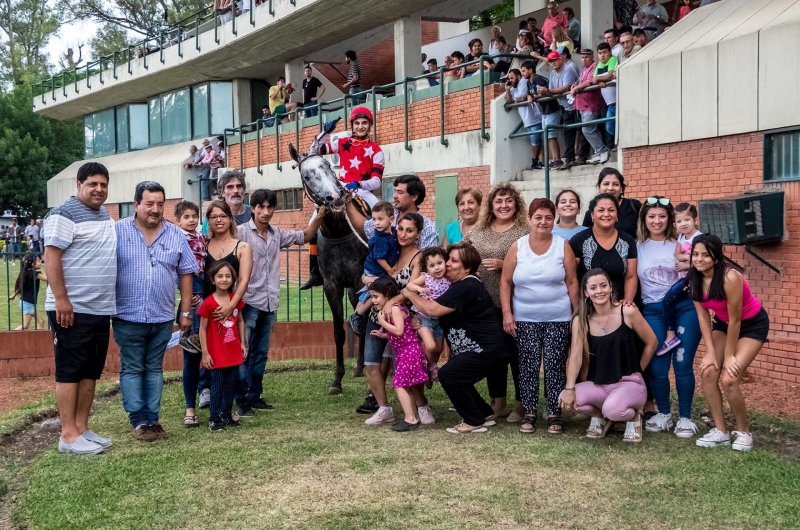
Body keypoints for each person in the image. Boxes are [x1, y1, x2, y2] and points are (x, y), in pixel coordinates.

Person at [114, 181, 198, 442]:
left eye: (160, 204)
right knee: (132, 368)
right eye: (149, 204)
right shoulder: (117, 231)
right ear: (136, 204)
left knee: (153, 368)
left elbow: (186, 274)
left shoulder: (175, 235)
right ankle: (138, 420)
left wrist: (185, 312)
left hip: (162, 317)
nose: (155, 209)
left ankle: (152, 419)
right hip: (127, 316)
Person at [44, 162, 117, 455]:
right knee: (70, 371)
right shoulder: (63, 214)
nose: (99, 189)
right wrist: (62, 299)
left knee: (90, 371)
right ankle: (68, 435)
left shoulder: (104, 215)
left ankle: (83, 428)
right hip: (71, 309)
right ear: (79, 185)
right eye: (92, 184)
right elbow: (51, 257)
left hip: (100, 309)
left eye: (103, 184)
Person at [235, 189, 326, 416]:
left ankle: (255, 395)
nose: (265, 212)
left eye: (269, 207)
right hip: (248, 301)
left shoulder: (276, 234)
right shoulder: (240, 232)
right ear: (253, 208)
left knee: (260, 352)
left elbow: (304, 236)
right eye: (261, 207)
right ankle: (241, 398)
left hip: (269, 302)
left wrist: (320, 215)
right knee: (242, 352)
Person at [402, 242, 509, 434]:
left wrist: (409, 293)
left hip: (485, 349)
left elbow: (432, 310)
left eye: (453, 261)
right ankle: (482, 413)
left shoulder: (467, 284)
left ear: (467, 266)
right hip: (482, 349)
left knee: (449, 375)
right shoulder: (457, 285)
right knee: (458, 375)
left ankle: (472, 420)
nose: (447, 264)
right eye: (447, 259)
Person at [500, 199, 579, 434]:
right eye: (538, 217)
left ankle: (554, 413)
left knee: (555, 364)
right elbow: (505, 282)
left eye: (547, 217)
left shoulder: (562, 246)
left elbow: (572, 281)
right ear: (529, 220)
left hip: (558, 317)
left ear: (553, 220)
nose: (543, 222)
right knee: (528, 365)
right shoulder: (518, 246)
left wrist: (576, 315)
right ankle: (530, 412)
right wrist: (507, 314)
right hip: (525, 318)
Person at [559, 268, 658, 442]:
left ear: (611, 287)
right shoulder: (581, 320)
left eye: (603, 286)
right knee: (566, 399)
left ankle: (633, 417)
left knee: (613, 410)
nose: (599, 291)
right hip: (600, 384)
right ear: (586, 292)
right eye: (593, 287)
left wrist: (638, 370)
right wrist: (570, 388)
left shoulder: (627, 312)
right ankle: (598, 416)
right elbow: (575, 355)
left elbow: (652, 343)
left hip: (629, 383)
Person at [690, 235, 769, 451]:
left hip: (751, 324)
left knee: (730, 378)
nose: (699, 259)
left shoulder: (730, 277)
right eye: (695, 254)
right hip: (723, 324)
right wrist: (709, 352)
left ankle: (744, 433)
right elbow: (703, 317)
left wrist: (729, 355)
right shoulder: (694, 279)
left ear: (716, 257)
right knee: (708, 372)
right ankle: (721, 431)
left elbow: (736, 319)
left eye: (706, 255)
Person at [635, 197, 702, 439]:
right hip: (653, 310)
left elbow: (705, 265)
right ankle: (663, 412)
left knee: (683, 364)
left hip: (685, 309)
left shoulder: (684, 242)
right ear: (644, 219)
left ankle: (685, 417)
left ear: (670, 219)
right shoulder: (637, 246)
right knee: (658, 366)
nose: (657, 221)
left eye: (662, 216)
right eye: (651, 216)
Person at [184, 200, 253, 426]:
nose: (218, 220)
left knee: (229, 363)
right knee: (194, 359)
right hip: (202, 310)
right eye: (213, 217)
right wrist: (189, 297)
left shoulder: (241, 247)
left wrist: (231, 306)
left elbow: (243, 279)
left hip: (230, 312)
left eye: (223, 215)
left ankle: (226, 409)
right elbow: (185, 269)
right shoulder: (201, 243)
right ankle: (191, 409)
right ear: (208, 221)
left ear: (230, 218)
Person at [302, 106, 386, 290]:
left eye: (364, 123)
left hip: (362, 190)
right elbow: (313, 153)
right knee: (313, 225)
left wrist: (359, 184)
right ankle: (314, 272)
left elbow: (377, 181)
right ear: (352, 125)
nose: (361, 126)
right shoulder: (343, 142)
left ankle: (380, 262)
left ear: (370, 125)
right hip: (339, 189)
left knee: (380, 220)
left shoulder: (376, 149)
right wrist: (325, 132)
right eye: (357, 123)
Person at [465, 182, 529, 421]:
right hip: (484, 304)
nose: (504, 205)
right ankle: (498, 402)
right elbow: (459, 252)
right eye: (499, 201)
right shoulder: (479, 230)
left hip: (516, 303)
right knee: (494, 353)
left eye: (508, 201)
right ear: (491, 205)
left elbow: (535, 263)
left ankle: (521, 405)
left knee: (516, 355)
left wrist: (506, 266)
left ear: (516, 204)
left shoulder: (525, 231)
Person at [359, 214, 429, 424]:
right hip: (378, 314)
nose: (403, 234)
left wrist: (392, 302)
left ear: (418, 234)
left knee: (407, 367)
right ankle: (384, 408)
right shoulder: (390, 249)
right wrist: (365, 278)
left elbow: (410, 288)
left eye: (409, 230)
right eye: (400, 229)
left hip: (402, 317)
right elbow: (370, 270)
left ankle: (422, 407)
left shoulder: (419, 257)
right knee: (371, 362)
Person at [368, 277, 431, 432]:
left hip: (409, 351)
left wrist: (382, 322)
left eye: (376, 297)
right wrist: (383, 334)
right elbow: (399, 333)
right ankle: (414, 417)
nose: (373, 301)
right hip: (404, 351)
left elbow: (399, 330)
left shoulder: (395, 309)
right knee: (406, 385)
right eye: (372, 297)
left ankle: (410, 418)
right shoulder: (392, 310)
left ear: (387, 295)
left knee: (399, 384)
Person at [199, 261, 247, 431]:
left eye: (228, 276)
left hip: (233, 352)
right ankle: (214, 418)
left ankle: (226, 415)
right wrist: (205, 353)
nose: (224, 279)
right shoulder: (208, 303)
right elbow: (202, 329)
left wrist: (242, 343)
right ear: (212, 280)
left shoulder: (235, 300)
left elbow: (240, 320)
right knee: (217, 385)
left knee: (230, 385)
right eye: (220, 276)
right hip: (217, 353)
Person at [571, 193, 638, 304]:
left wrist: (627, 300)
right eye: (601, 210)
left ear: (617, 214)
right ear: (592, 214)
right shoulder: (579, 240)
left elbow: (631, 276)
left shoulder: (627, 240)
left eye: (611, 210)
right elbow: (571, 278)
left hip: (618, 306)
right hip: (588, 307)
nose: (606, 214)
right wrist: (578, 307)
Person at [346, 174, 439, 249]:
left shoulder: (428, 227)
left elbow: (427, 262)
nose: (394, 196)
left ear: (414, 197)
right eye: (395, 191)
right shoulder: (389, 214)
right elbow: (365, 228)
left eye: (400, 192)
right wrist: (348, 203)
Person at [349, 201, 400, 330]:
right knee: (372, 294)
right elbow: (380, 258)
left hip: (373, 269)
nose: (376, 223)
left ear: (391, 219)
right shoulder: (381, 239)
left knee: (368, 293)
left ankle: (356, 314)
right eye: (374, 219)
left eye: (380, 219)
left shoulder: (392, 233)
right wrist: (389, 270)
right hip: (375, 270)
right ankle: (357, 315)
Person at [660, 202, 702, 352]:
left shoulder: (700, 238)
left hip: (692, 279)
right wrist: (687, 257)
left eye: (687, 220)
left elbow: (704, 260)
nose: (683, 224)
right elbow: (676, 254)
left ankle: (671, 335)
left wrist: (686, 264)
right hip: (683, 278)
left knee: (667, 300)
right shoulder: (681, 238)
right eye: (679, 221)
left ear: (695, 220)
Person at [406, 247, 451, 377]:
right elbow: (409, 286)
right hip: (423, 316)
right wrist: (419, 288)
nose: (437, 268)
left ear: (445, 262)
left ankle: (427, 366)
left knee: (439, 348)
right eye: (432, 265)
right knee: (430, 346)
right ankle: (431, 366)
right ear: (426, 268)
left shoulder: (448, 279)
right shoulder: (426, 278)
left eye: (439, 263)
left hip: (438, 319)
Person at [535, 50, 579, 170]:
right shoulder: (553, 73)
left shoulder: (568, 69)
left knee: (578, 130)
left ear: (560, 59)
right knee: (567, 132)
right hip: (563, 106)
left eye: (554, 60)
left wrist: (547, 91)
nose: (553, 63)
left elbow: (565, 88)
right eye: (550, 61)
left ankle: (574, 157)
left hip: (575, 104)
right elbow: (552, 91)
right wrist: (542, 93)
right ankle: (570, 158)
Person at [571, 48, 610, 165]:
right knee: (592, 129)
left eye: (586, 57)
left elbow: (590, 82)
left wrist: (576, 88)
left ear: (592, 57)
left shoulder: (595, 66)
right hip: (582, 105)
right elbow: (581, 82)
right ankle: (599, 153)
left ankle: (603, 151)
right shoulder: (583, 70)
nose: (584, 59)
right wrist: (575, 85)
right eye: (582, 57)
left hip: (591, 104)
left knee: (587, 129)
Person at [581, 168, 642, 239]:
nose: (610, 188)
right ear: (599, 187)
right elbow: (586, 238)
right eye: (606, 184)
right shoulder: (591, 212)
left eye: (615, 184)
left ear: (621, 187)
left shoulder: (633, 206)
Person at [505, 68, 542, 171]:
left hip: (534, 117)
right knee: (536, 141)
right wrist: (507, 90)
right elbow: (509, 102)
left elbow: (521, 98)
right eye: (509, 78)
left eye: (512, 78)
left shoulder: (523, 82)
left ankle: (534, 161)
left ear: (518, 76)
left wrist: (517, 99)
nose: (510, 80)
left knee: (536, 141)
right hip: (527, 120)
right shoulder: (514, 87)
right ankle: (540, 162)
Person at [9, 253, 47, 330]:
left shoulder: (28, 272)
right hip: (27, 302)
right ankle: (8, 337)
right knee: (25, 325)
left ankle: (38, 338)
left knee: (41, 322)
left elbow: (22, 286)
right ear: (33, 264)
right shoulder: (34, 274)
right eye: (39, 261)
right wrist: (49, 267)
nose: (41, 262)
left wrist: (14, 295)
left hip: (28, 302)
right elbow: (47, 279)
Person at [594, 43, 618, 146]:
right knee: (609, 127)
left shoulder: (613, 59)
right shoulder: (599, 64)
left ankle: (619, 143)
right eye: (600, 53)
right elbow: (593, 79)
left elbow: (611, 75)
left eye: (604, 52)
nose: (602, 55)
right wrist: (599, 81)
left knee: (613, 125)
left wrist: (599, 78)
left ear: (610, 52)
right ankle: (618, 142)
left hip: (618, 101)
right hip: (609, 103)